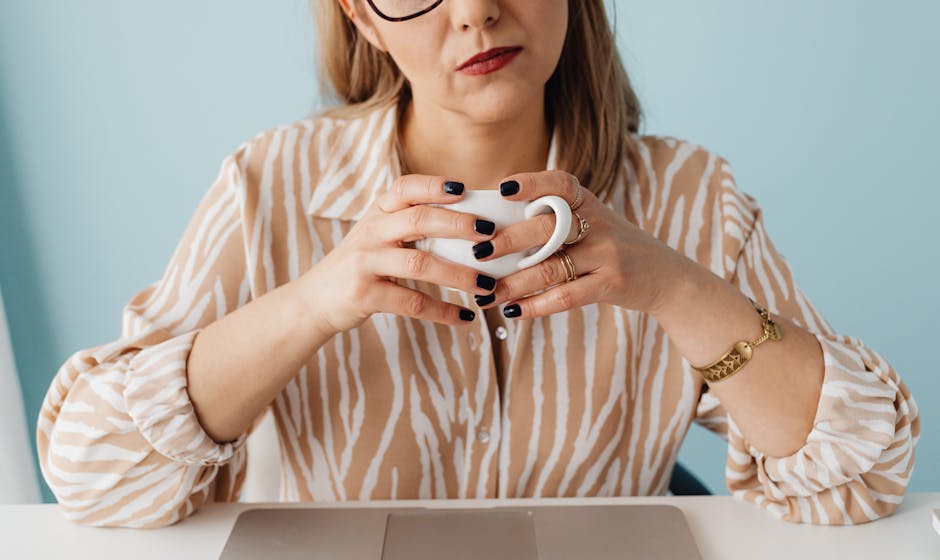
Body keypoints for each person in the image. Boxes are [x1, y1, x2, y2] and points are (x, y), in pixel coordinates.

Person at [36, 0, 919, 528]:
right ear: (362, 15)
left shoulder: (691, 195)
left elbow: (865, 471)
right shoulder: (271, 185)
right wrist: (313, 302)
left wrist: (672, 284)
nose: (475, 9)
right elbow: (90, 472)